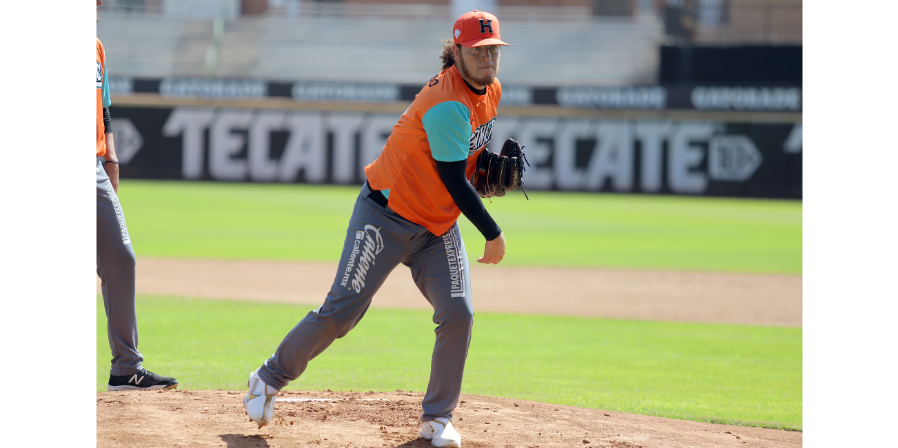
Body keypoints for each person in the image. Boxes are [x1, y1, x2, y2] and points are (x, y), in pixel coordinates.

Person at [243, 10, 509, 447]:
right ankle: (267, 378)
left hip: (435, 228)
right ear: (457, 51)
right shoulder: (446, 101)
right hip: (384, 217)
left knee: (459, 312)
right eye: (478, 50)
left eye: (493, 49)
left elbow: (468, 163)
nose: (488, 57)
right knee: (341, 314)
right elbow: (452, 178)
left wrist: (485, 171)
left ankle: (436, 419)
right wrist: (491, 230)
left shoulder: (491, 91)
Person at [96, 0, 178, 391]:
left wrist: (111, 160)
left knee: (120, 257)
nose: (99, 6)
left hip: (94, 169)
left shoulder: (97, 47)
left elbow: (104, 109)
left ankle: (125, 368)